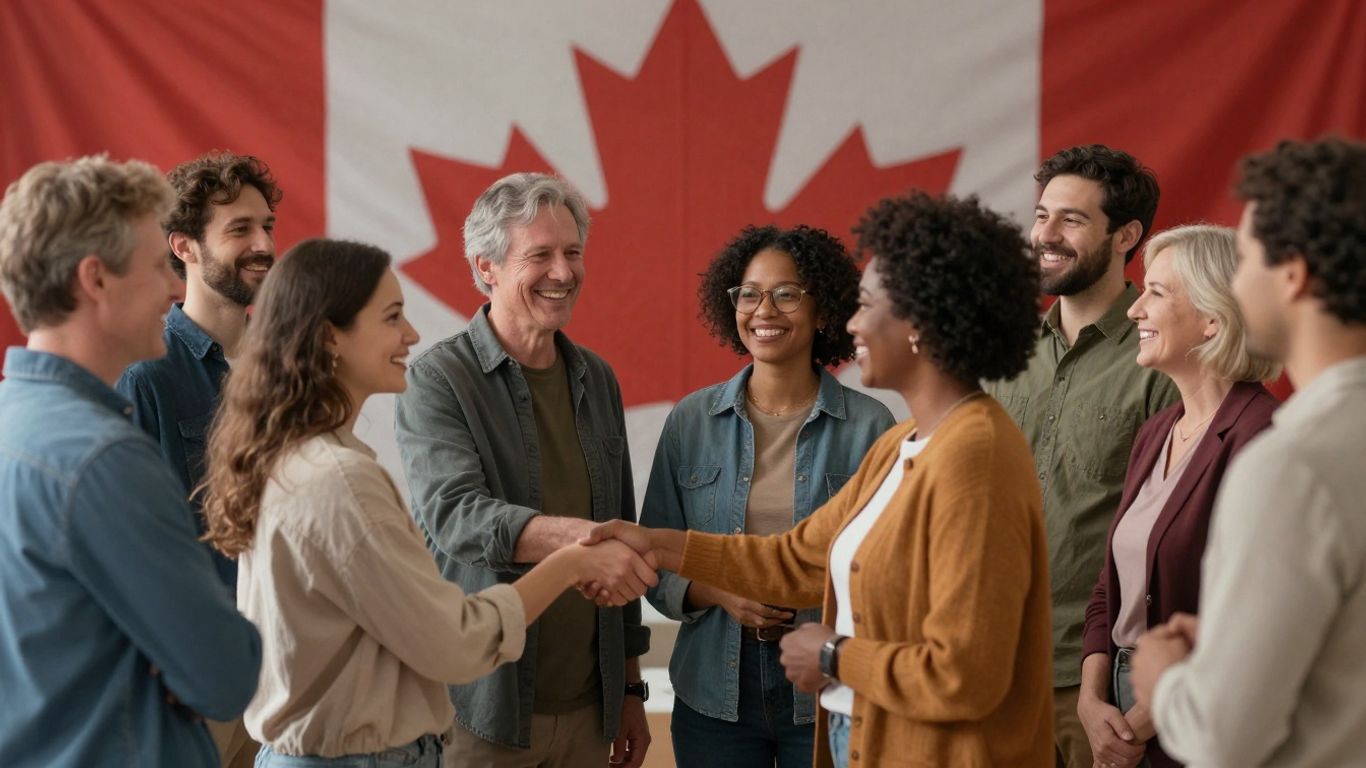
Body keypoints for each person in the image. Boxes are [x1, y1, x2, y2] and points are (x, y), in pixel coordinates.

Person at [589, 191, 1054, 767]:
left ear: (921, 319)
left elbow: (966, 674)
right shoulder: (899, 445)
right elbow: (792, 560)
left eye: (868, 304)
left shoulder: (976, 457)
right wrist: (655, 542)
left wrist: (833, 654)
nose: (853, 321)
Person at [198, 238, 657, 767]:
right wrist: (572, 560)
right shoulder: (341, 480)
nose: (410, 335)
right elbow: (457, 643)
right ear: (330, 339)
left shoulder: (302, 459)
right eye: (392, 317)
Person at [0, 156, 261, 767]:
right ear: (95, 280)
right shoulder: (104, 460)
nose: (174, 289)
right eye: (154, 267)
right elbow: (225, 674)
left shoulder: (16, 422)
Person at [395, 173, 652, 768]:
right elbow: (458, 518)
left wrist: (632, 689)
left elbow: (625, 529)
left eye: (573, 253)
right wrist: (584, 544)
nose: (563, 273)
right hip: (480, 709)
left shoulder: (598, 378)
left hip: (594, 710)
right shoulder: (440, 380)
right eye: (540, 255)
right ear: (486, 268)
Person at [1131, 137, 1366, 766]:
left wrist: (1164, 678)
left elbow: (1220, 738)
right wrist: (1234, 642)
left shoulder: (1292, 463)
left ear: (1292, 275)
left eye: (1246, 259)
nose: (1235, 281)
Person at [641, 225, 894, 767]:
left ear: (822, 310)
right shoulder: (691, 421)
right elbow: (654, 564)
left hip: (829, 687)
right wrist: (718, 592)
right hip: (713, 688)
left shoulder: (871, 427)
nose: (764, 310)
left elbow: (887, 574)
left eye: (786, 294)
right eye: (750, 294)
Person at [983, 143, 1180, 767]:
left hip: (1098, 690)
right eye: (1042, 216)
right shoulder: (1001, 353)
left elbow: (1172, 539)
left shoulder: (1160, 362)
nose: (1046, 235)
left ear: (1126, 235)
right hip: (993, 673)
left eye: (1072, 220)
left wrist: (1113, 694)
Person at [1076, 225, 1279, 768]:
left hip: (1191, 721)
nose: (1134, 310)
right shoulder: (1158, 430)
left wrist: (1132, 729)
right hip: (1120, 709)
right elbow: (1110, 587)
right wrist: (1091, 700)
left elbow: (1253, 617)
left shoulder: (1262, 436)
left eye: (1156, 293)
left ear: (1214, 318)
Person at [116, 150, 280, 768]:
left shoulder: (287, 369)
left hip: (286, 666)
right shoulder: (146, 375)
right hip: (194, 682)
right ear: (183, 247)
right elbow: (140, 551)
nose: (262, 243)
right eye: (239, 229)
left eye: (266, 225)